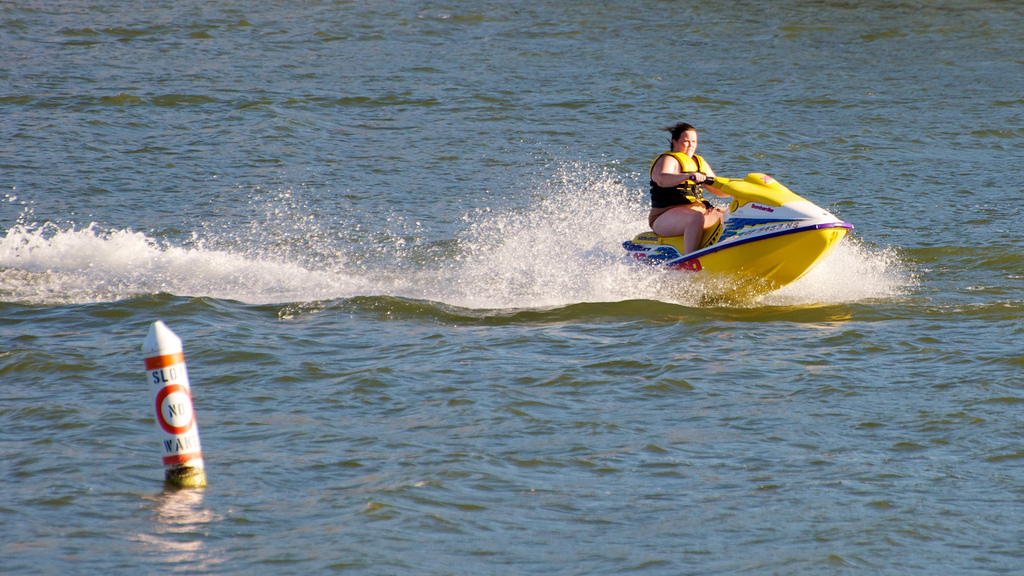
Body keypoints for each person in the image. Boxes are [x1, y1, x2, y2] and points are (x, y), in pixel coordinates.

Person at [648, 122, 730, 254]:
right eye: (686, 141)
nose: (691, 146)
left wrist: (736, 191)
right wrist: (687, 176)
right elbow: (662, 180)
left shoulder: (698, 162)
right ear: (675, 142)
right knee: (696, 217)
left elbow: (717, 190)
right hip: (663, 216)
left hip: (698, 211)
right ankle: (690, 258)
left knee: (732, 213)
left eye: (694, 141)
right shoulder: (668, 160)